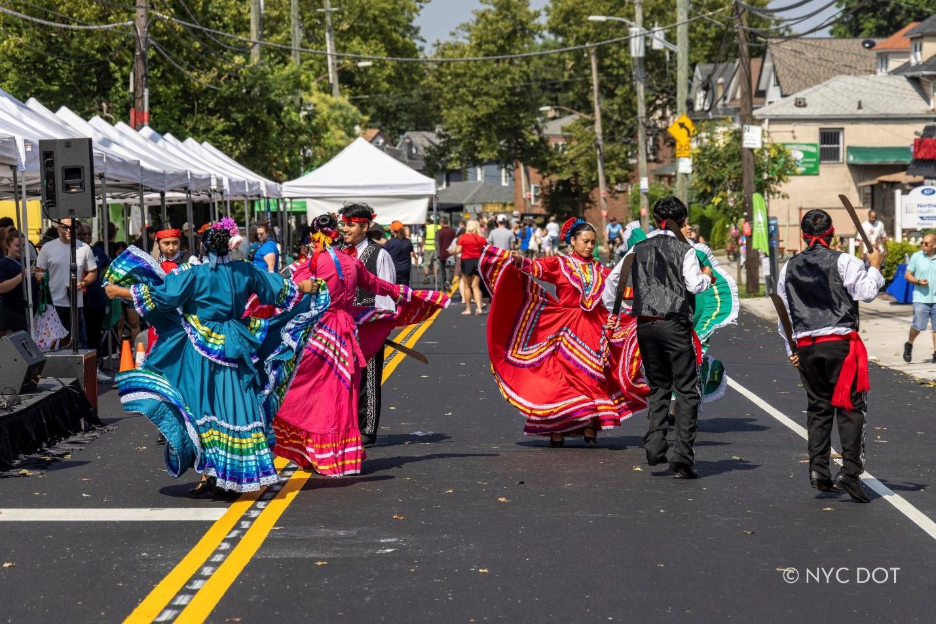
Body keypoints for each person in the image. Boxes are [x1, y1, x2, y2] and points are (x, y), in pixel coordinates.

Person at [104, 218, 328, 495]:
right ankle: (229, 477)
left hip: (200, 347)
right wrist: (306, 288)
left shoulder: (194, 274)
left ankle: (213, 474)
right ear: (232, 246)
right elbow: (277, 289)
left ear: (202, 245)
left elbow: (162, 296)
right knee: (236, 405)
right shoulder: (244, 270)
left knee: (202, 408)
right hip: (236, 343)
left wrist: (119, 291)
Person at [271, 215, 449, 475]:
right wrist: (412, 295)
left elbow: (289, 291)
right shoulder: (351, 263)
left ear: (314, 237)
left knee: (303, 387)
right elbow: (379, 286)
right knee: (342, 392)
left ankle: (313, 449)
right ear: (335, 235)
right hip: (345, 332)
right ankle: (336, 455)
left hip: (319, 331)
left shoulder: (311, 263)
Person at [479, 217, 645, 446]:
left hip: (594, 329)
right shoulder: (561, 264)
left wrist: (648, 294)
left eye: (593, 242)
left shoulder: (602, 270)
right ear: (573, 241)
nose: (589, 246)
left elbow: (621, 291)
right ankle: (557, 429)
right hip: (564, 329)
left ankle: (589, 425)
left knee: (592, 378)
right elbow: (536, 267)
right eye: (585, 241)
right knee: (561, 380)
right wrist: (518, 261)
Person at [776, 209, 884, 503]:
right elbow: (866, 292)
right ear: (832, 232)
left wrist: (792, 348)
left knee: (818, 407)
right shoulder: (844, 260)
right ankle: (849, 472)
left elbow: (784, 314)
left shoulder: (789, 267)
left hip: (807, 345)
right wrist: (875, 266)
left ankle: (818, 470)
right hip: (839, 344)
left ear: (803, 235)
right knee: (850, 408)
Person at [625, 197, 713, 479]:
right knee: (687, 390)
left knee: (659, 385)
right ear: (682, 222)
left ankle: (655, 443)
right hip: (674, 324)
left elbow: (616, 282)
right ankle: (683, 459)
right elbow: (695, 285)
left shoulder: (638, 248)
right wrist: (707, 276)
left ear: (655, 220)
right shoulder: (685, 250)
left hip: (645, 325)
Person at [340, 202, 396, 446]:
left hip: (370, 323)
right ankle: (347, 423)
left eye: (350, 225)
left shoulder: (379, 254)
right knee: (347, 375)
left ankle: (367, 426)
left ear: (365, 226)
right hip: (344, 324)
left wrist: (382, 324)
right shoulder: (340, 252)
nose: (345, 229)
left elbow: (387, 290)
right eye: (344, 224)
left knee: (369, 376)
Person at [35, 219, 98, 349]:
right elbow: (39, 274)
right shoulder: (47, 248)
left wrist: (83, 283)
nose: (69, 231)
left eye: (72, 227)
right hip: (53, 304)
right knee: (53, 341)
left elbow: (93, 272)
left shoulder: (84, 248)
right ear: (58, 228)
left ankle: (71, 367)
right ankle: (54, 368)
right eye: (65, 227)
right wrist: (43, 285)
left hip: (76, 303)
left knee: (73, 341)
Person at [79, 225, 113, 383]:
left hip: (96, 298)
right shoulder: (75, 252)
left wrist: (104, 280)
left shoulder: (97, 252)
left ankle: (95, 367)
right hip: (78, 300)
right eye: (82, 234)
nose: (86, 236)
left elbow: (108, 265)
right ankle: (82, 369)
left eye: (88, 234)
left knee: (94, 334)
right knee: (79, 336)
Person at [145, 222, 184, 353]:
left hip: (183, 318)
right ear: (158, 242)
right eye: (166, 243)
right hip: (159, 317)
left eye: (175, 243)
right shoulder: (153, 265)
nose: (171, 248)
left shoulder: (189, 261)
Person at [903, 233, 936, 364]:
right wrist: (917, 281)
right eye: (922, 243)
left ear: (934, 245)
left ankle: (935, 353)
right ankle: (909, 344)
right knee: (918, 326)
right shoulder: (916, 257)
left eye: (926, 244)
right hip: (921, 298)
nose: (923, 245)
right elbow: (907, 275)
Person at [0, 228, 35, 336]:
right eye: (17, 246)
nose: (21, 249)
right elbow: (1, 288)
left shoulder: (26, 261)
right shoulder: (3, 264)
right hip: (11, 314)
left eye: (23, 245)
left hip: (27, 314)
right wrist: (22, 275)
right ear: (8, 246)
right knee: (13, 349)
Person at [455, 220, 486, 316]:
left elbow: (458, 250)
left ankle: (468, 309)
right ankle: (479, 308)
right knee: (476, 286)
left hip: (466, 261)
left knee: (467, 286)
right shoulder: (481, 238)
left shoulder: (463, 237)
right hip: (477, 261)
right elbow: (484, 249)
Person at [384, 221, 415, 286]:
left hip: (393, 269)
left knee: (393, 289)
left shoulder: (390, 242)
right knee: (404, 289)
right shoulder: (408, 242)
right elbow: (412, 253)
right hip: (405, 269)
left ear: (392, 230)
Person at [437, 218, 457, 286]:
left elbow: (436, 244)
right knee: (451, 269)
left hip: (441, 254)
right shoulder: (453, 231)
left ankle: (443, 286)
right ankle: (448, 281)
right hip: (450, 254)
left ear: (442, 223)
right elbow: (455, 242)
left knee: (442, 271)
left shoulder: (438, 232)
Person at [423, 217, 440, 286]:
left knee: (426, 263)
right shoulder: (439, 227)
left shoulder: (427, 227)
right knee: (436, 263)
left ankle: (427, 277)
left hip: (427, 247)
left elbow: (423, 238)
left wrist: (421, 247)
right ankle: (435, 278)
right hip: (436, 248)